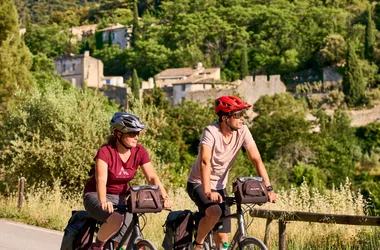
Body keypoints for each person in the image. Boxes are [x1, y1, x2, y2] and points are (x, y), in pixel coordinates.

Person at [187, 96, 277, 250]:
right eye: (237, 115)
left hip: (220, 185)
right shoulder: (211, 132)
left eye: (242, 114)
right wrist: (208, 191)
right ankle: (198, 244)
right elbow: (205, 161)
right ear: (225, 118)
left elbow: (256, 159)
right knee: (214, 212)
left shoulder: (243, 131)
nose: (242, 118)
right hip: (199, 182)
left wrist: (268, 188)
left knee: (223, 240)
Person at [83, 112, 172, 250]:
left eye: (137, 133)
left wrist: (164, 196)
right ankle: (97, 246)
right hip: (96, 195)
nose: (136, 137)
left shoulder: (140, 152)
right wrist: (103, 201)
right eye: (131, 133)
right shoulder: (105, 152)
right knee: (117, 218)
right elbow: (101, 179)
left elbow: (152, 178)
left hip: (121, 197)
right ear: (118, 134)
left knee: (128, 234)